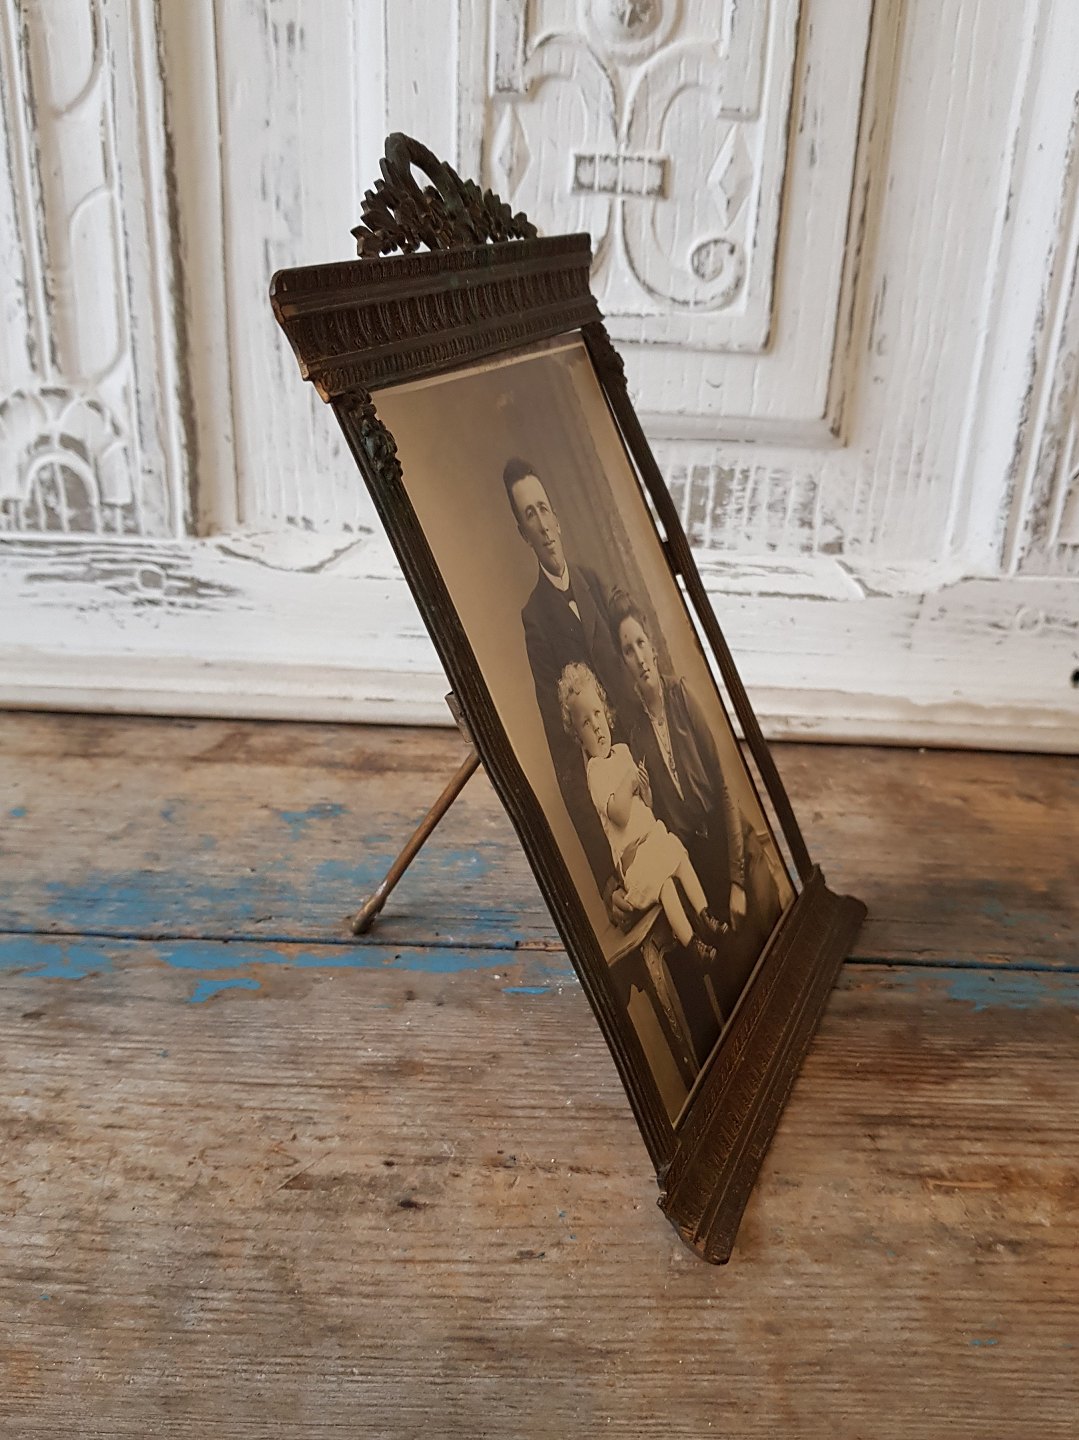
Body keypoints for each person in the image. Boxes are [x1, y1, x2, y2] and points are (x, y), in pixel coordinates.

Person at [609, 590, 784, 1009]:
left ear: (652, 646)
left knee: (777, 948)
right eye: (628, 650)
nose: (638, 656)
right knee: (737, 984)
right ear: (624, 662)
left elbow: (723, 788)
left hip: (735, 848)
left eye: (640, 643)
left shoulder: (682, 696)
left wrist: (737, 881)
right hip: (701, 865)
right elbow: (650, 823)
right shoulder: (636, 737)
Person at [503, 457, 635, 925]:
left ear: (556, 516)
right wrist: (605, 878)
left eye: (543, 508)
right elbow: (563, 752)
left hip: (648, 762)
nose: (541, 524)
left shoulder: (593, 582)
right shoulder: (535, 620)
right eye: (529, 515)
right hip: (613, 790)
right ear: (523, 533)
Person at [557, 662, 725, 966]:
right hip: (635, 860)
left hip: (652, 839)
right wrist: (629, 782)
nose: (596, 726)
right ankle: (693, 945)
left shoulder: (622, 752)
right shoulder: (596, 772)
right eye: (585, 723)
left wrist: (645, 791)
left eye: (597, 714)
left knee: (680, 856)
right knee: (665, 885)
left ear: (607, 714)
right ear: (579, 738)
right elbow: (620, 815)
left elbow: (643, 807)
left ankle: (705, 915)